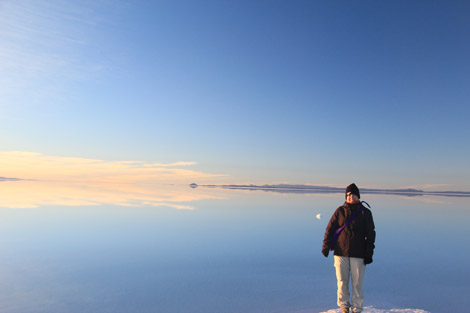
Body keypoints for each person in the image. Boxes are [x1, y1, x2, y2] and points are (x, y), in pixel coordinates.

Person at [322, 183, 376, 313]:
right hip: (341, 252)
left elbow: (371, 234)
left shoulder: (365, 213)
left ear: (358, 196)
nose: (350, 196)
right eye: (348, 195)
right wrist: (326, 246)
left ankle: (357, 308)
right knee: (342, 281)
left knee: (357, 284)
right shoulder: (340, 211)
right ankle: (344, 306)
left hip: (359, 254)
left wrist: (369, 253)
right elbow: (330, 229)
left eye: (353, 194)